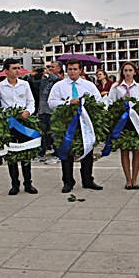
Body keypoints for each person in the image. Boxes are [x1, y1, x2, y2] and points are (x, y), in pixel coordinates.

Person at [48, 59, 103, 193]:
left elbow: (99, 101)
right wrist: (68, 102)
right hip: (66, 123)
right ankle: (68, 181)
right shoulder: (59, 86)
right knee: (66, 152)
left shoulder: (88, 85)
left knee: (87, 151)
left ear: (80, 70)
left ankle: (87, 180)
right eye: (70, 69)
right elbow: (51, 102)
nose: (72, 72)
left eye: (75, 69)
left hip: (85, 123)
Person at [0, 58, 38, 195]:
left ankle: (28, 183)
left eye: (18, 68)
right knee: (11, 153)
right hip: (9, 123)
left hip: (23, 122)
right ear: (6, 71)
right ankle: (14, 184)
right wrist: (5, 116)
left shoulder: (24, 84)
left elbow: (31, 101)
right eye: (14, 68)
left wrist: (28, 111)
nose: (17, 70)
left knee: (25, 152)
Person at [107, 62, 139, 190]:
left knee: (136, 150)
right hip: (122, 121)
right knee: (124, 150)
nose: (127, 73)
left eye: (130, 70)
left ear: (134, 72)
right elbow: (110, 102)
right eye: (125, 70)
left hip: (136, 121)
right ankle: (128, 179)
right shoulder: (116, 87)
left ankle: (135, 179)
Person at [36, 61, 64, 163]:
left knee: (54, 134)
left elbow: (56, 79)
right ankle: (40, 154)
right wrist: (32, 76)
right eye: (49, 67)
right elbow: (34, 84)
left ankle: (57, 154)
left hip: (53, 112)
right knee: (42, 134)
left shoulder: (59, 82)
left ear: (59, 69)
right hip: (42, 111)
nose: (50, 68)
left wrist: (49, 73)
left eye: (52, 67)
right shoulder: (45, 81)